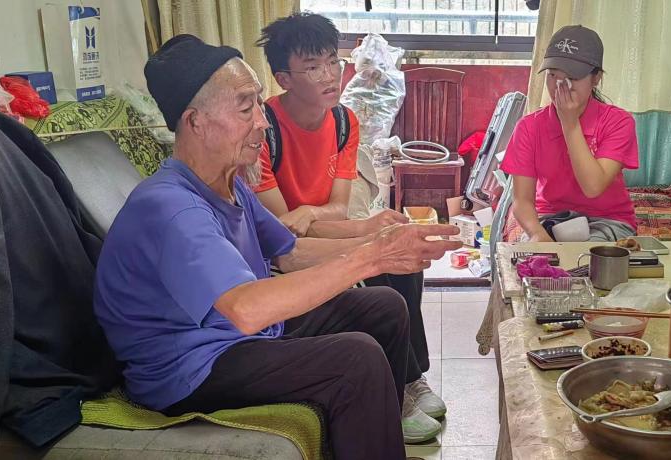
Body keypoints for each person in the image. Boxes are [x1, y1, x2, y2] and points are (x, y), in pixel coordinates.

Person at [93, 35, 461, 460]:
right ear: (195, 122)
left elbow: (290, 252)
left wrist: (381, 242)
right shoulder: (172, 207)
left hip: (237, 338)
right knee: (356, 359)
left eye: (259, 104)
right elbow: (246, 309)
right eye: (245, 108)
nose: (263, 122)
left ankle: (378, 425)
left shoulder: (229, 185)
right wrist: (372, 256)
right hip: (189, 367)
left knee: (383, 306)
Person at [252, 13, 445, 443]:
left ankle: (410, 376)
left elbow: (337, 208)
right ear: (283, 78)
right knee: (379, 265)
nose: (330, 75)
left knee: (404, 256)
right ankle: (395, 393)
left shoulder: (343, 121)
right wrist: (356, 233)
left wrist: (340, 220)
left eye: (332, 62)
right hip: (283, 250)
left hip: (320, 229)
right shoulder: (264, 131)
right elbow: (286, 232)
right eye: (313, 67)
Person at [501, 25, 640, 242]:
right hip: (550, 218)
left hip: (607, 220)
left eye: (572, 78)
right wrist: (537, 234)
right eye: (553, 75)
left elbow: (593, 187)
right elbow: (522, 200)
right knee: (534, 258)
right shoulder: (529, 127)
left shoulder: (618, 122)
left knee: (590, 258)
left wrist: (570, 124)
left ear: (596, 78)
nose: (560, 86)